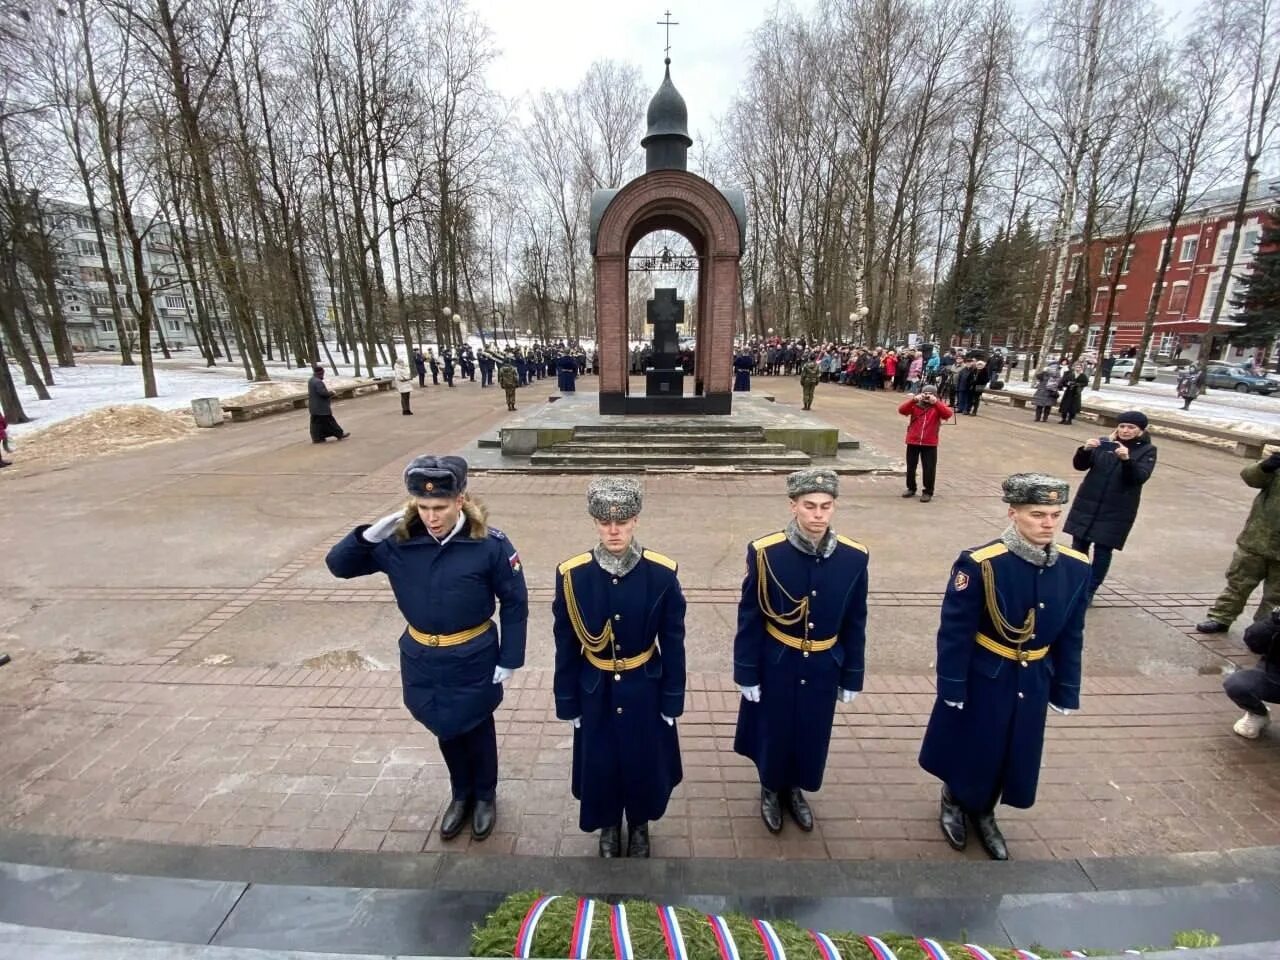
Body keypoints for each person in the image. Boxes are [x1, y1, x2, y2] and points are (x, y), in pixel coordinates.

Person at [325, 456, 528, 841]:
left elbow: (515, 601)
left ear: (460, 501)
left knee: (477, 726)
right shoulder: (400, 544)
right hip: (423, 658)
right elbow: (338, 566)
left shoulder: (488, 545)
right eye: (423, 507)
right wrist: (367, 536)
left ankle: (485, 796)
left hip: (473, 654)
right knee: (444, 727)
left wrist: (510, 657)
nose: (431, 516)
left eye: (439, 507)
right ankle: (460, 794)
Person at [918, 473, 1091, 860]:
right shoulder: (982, 563)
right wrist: (952, 685)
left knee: (1016, 748)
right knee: (974, 744)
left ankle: (985, 812)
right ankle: (954, 800)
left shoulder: (1075, 567)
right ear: (1013, 514)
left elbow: (1071, 633)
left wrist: (1066, 688)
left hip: (1033, 678)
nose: (1048, 524)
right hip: (987, 673)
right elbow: (955, 631)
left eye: (1054, 515)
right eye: (1037, 514)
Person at [553, 478, 686, 858]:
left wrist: (672, 698)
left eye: (622, 522)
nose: (614, 531)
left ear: (636, 521)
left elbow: (673, 641)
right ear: (594, 523)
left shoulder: (661, 574)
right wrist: (568, 702)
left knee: (643, 758)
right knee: (602, 760)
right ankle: (609, 824)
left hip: (644, 684)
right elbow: (565, 643)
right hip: (594, 687)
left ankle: (640, 824)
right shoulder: (573, 576)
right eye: (604, 522)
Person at [734, 469, 868, 834]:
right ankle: (770, 788)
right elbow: (750, 615)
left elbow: (856, 619)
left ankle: (794, 791)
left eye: (826, 506)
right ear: (793, 506)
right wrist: (746, 671)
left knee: (811, 730)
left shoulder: (854, 558)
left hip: (824, 663)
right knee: (773, 730)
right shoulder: (766, 553)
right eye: (809, 506)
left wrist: (852, 672)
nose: (818, 514)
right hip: (778, 659)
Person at [1063, 411, 1157, 602]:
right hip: (1088, 502)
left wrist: (1126, 460)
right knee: (1078, 546)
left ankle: (1089, 590)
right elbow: (1080, 466)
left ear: (1141, 430)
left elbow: (1139, 478)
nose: (1125, 430)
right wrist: (1085, 450)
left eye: (1131, 427)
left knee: (1103, 550)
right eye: (1122, 426)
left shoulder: (1147, 450)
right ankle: (1076, 585)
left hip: (1117, 508)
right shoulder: (1104, 443)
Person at [1197, 452, 1280, 634]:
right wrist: (1265, 467)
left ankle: (1264, 632)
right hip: (1256, 539)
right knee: (1238, 583)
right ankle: (1220, 618)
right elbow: (1249, 477)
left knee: (1276, 596)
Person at [1222, 609, 1280, 739]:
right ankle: (1258, 714)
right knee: (1238, 685)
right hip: (1275, 676)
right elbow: (1254, 642)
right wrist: (1274, 622)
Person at [898, 384, 953, 503]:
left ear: (935, 395)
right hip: (913, 440)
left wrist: (936, 402)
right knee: (911, 466)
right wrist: (913, 400)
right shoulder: (915, 405)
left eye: (930, 394)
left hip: (930, 442)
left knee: (929, 468)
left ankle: (928, 491)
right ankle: (911, 488)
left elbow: (948, 414)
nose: (927, 396)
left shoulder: (937, 407)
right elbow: (902, 410)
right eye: (925, 393)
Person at [307, 365, 349, 443]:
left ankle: (317, 438)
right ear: (320, 373)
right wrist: (331, 393)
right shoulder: (318, 382)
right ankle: (339, 434)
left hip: (314, 407)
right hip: (321, 408)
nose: (323, 375)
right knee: (330, 421)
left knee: (316, 424)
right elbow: (323, 393)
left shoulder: (311, 380)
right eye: (322, 373)